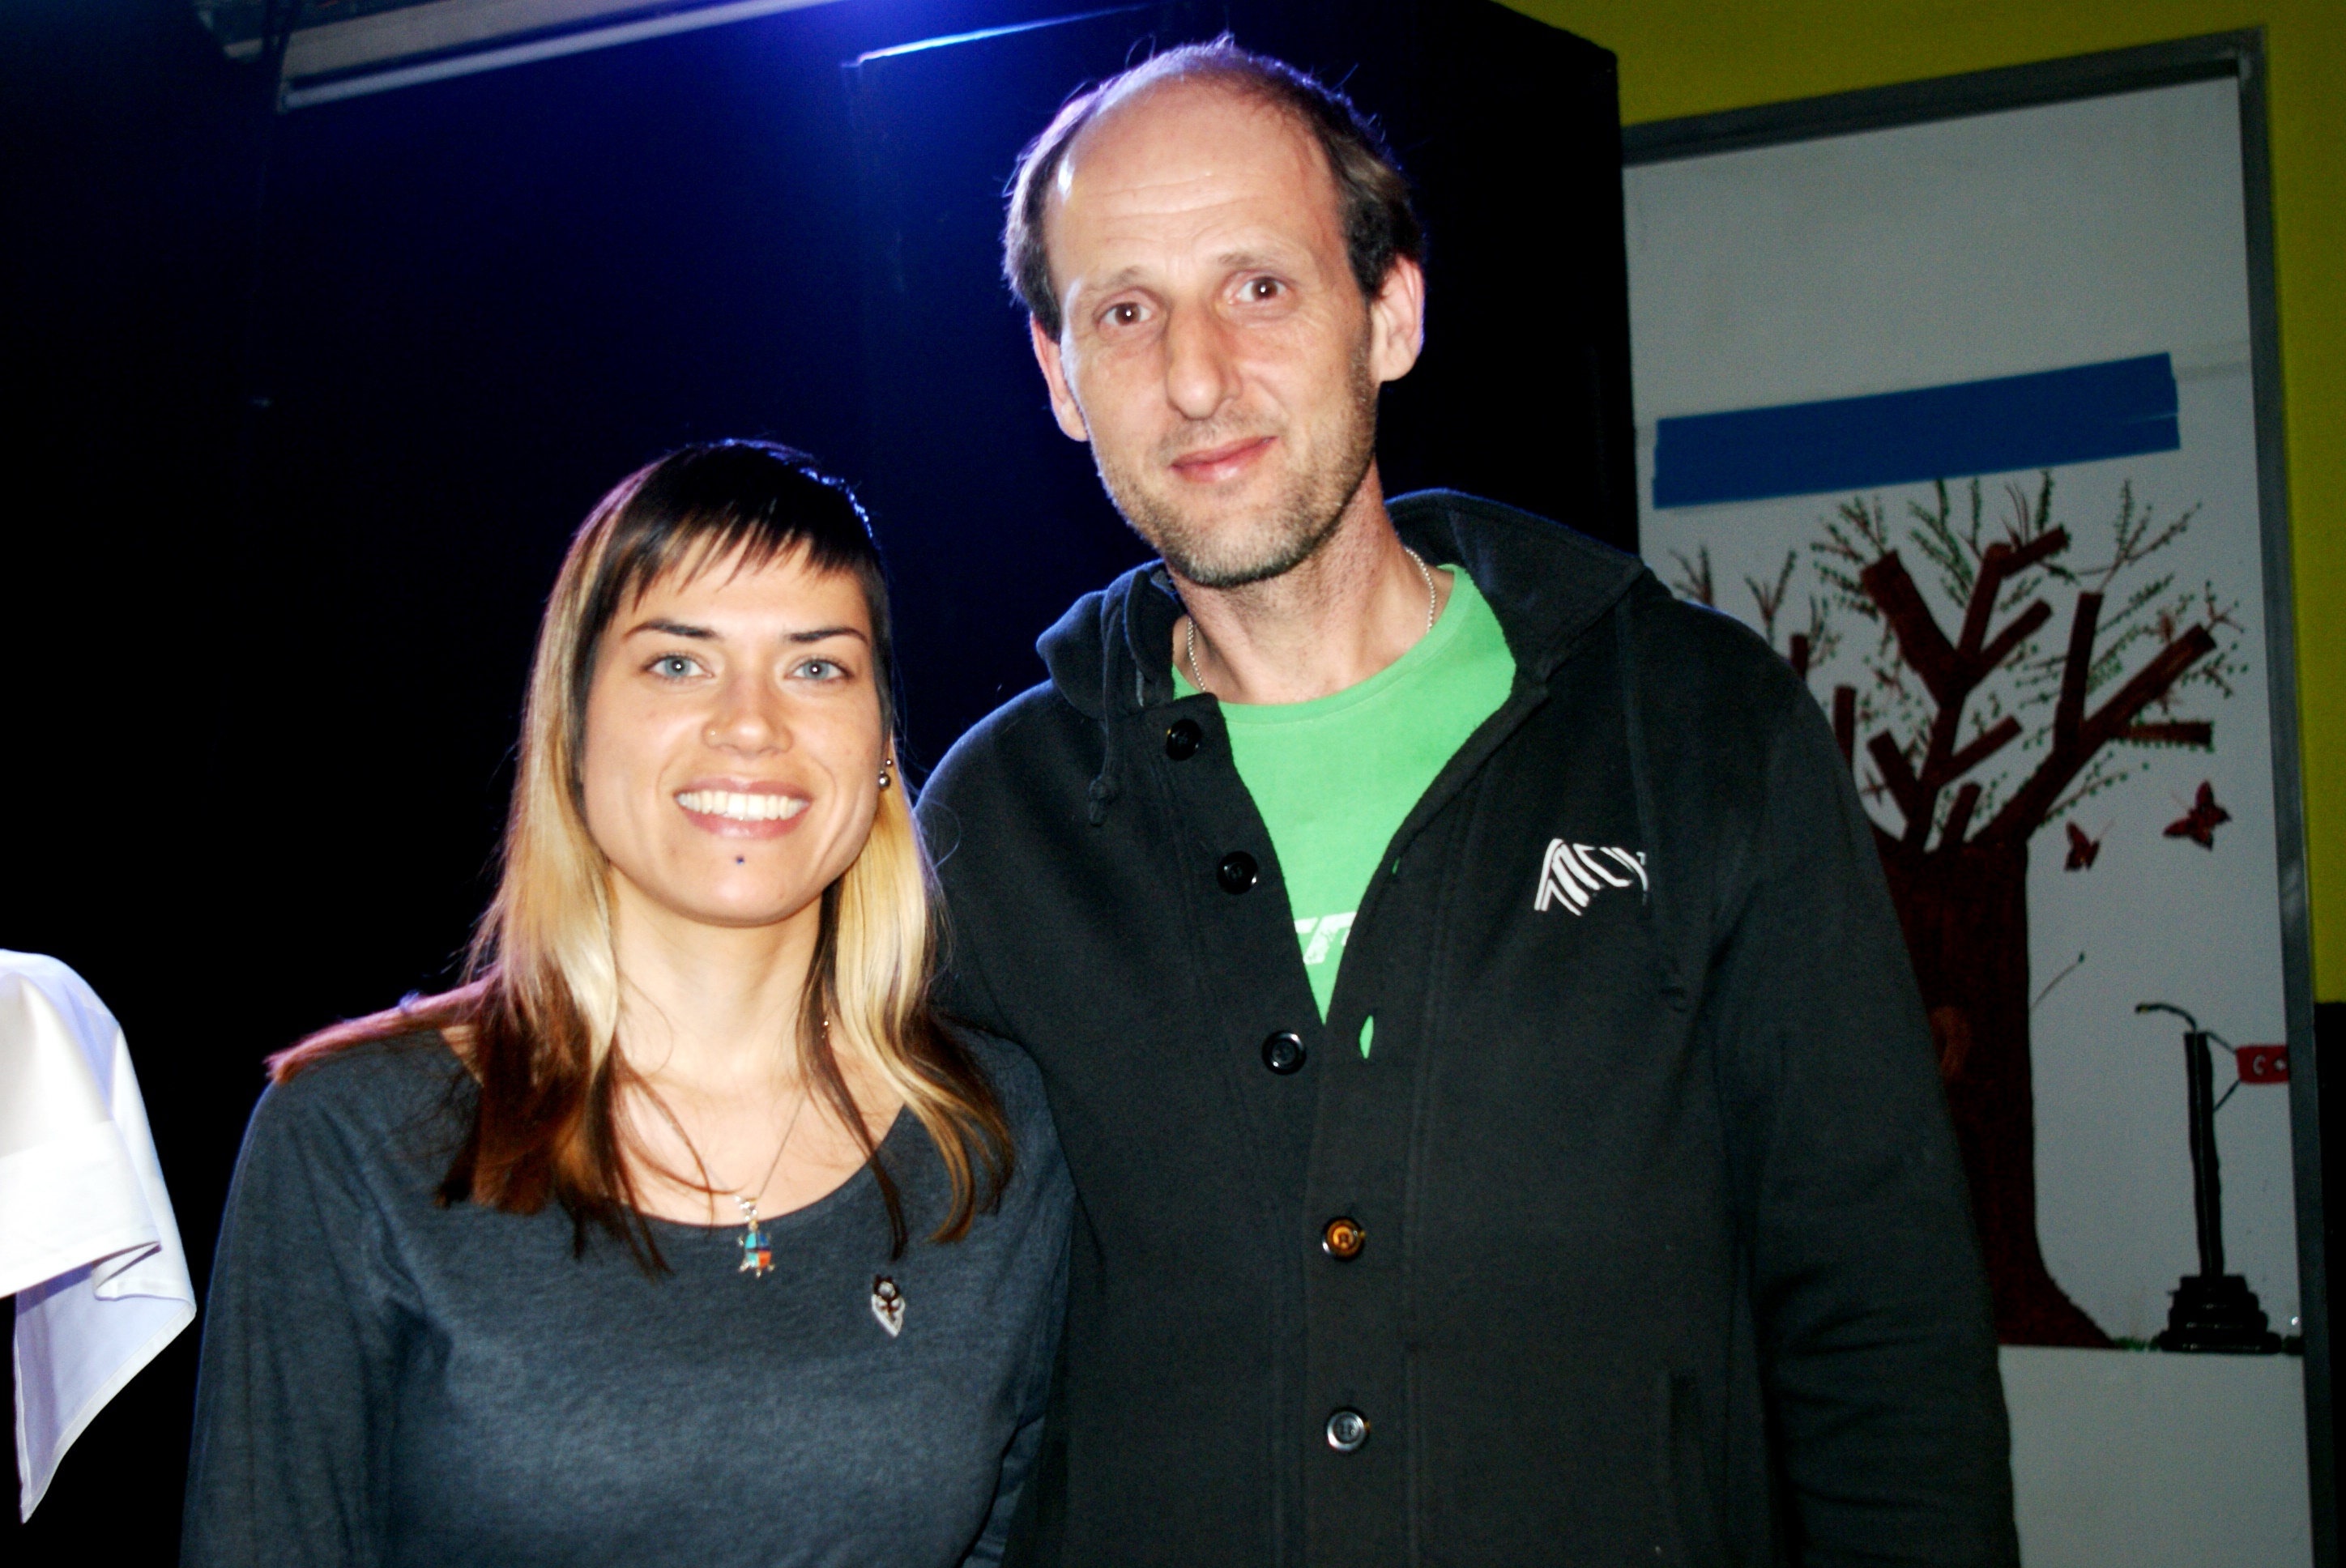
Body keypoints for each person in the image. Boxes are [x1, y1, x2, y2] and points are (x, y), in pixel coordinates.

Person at [914, 40, 2016, 1566]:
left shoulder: (1695, 729)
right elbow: (924, 1356)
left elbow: (1885, 1339)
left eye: (1259, 287)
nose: (1195, 377)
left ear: (1391, 313)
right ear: (1058, 377)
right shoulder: (993, 826)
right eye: (1125, 312)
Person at [181, 442, 1072, 1567]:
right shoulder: (359, 1138)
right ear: (573, 725)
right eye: (678, 663)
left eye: (816, 667)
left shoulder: (993, 1140)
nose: (751, 724)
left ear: (882, 746)